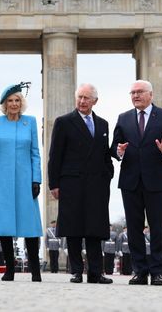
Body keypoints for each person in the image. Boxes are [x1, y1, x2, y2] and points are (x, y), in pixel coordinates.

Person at [111, 79, 162, 286]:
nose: (135, 96)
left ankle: (157, 272)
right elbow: (114, 146)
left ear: (150, 94)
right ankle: (140, 271)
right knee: (133, 229)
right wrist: (119, 152)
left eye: (139, 92)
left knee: (158, 227)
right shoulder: (123, 118)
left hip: (157, 181)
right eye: (132, 93)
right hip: (130, 181)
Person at [48, 83, 114, 285]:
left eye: (87, 98)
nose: (82, 101)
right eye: (80, 97)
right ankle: (76, 271)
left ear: (95, 101)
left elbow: (104, 154)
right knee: (74, 229)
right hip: (72, 183)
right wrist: (54, 183)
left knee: (95, 229)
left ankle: (96, 272)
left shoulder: (103, 124)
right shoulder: (64, 122)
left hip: (96, 184)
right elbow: (55, 155)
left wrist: (108, 174)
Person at [0, 82, 44, 282]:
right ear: (4, 104)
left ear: (22, 102)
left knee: (30, 224)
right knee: (5, 224)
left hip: (26, 179)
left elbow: (35, 153)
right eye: (10, 101)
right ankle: (10, 269)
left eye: (17, 100)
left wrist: (37, 179)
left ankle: (35, 270)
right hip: (1, 179)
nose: (14, 104)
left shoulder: (30, 122)